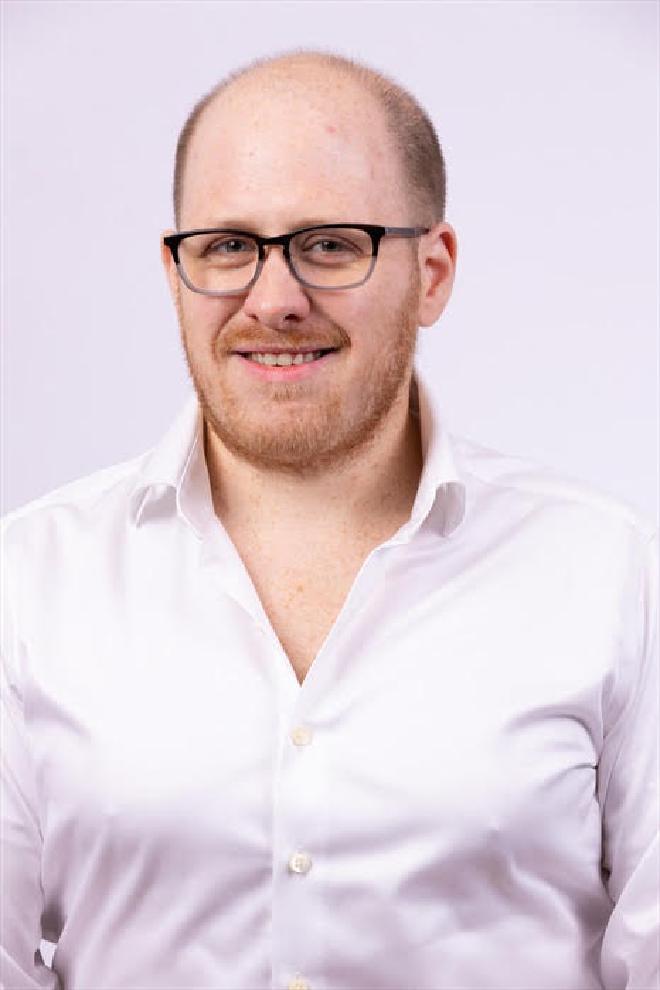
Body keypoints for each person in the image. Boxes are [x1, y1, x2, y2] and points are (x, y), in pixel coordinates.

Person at [1, 48, 657, 990]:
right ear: (176, 272)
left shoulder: (614, 574)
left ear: (432, 273)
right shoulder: (27, 583)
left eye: (332, 245)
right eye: (228, 247)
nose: (273, 301)